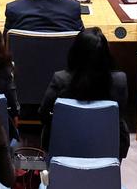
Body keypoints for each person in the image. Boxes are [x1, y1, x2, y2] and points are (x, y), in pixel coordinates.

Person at [40, 28, 129, 157]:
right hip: (108, 149)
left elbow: (43, 114)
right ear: (106, 55)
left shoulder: (60, 79)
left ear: (75, 53)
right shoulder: (120, 80)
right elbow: (120, 114)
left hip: (64, 147)